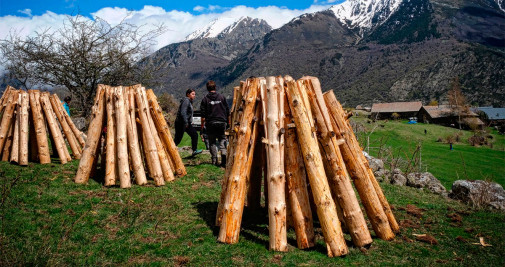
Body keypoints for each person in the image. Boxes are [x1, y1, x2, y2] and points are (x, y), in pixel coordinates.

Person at [201, 80, 230, 167]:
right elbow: (228, 111)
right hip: (222, 122)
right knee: (222, 140)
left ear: (207, 88)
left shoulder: (205, 99)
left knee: (212, 142)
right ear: (215, 87)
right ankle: (224, 160)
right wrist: (228, 123)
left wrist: (202, 127)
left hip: (211, 123)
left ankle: (214, 160)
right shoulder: (222, 97)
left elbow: (203, 116)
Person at [174, 89, 202, 156]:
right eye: (192, 94)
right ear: (188, 94)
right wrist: (186, 122)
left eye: (194, 94)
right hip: (181, 123)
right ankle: (169, 150)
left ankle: (194, 150)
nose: (194, 95)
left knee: (194, 134)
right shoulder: (186, 101)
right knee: (178, 139)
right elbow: (183, 112)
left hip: (185, 122)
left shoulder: (189, 101)